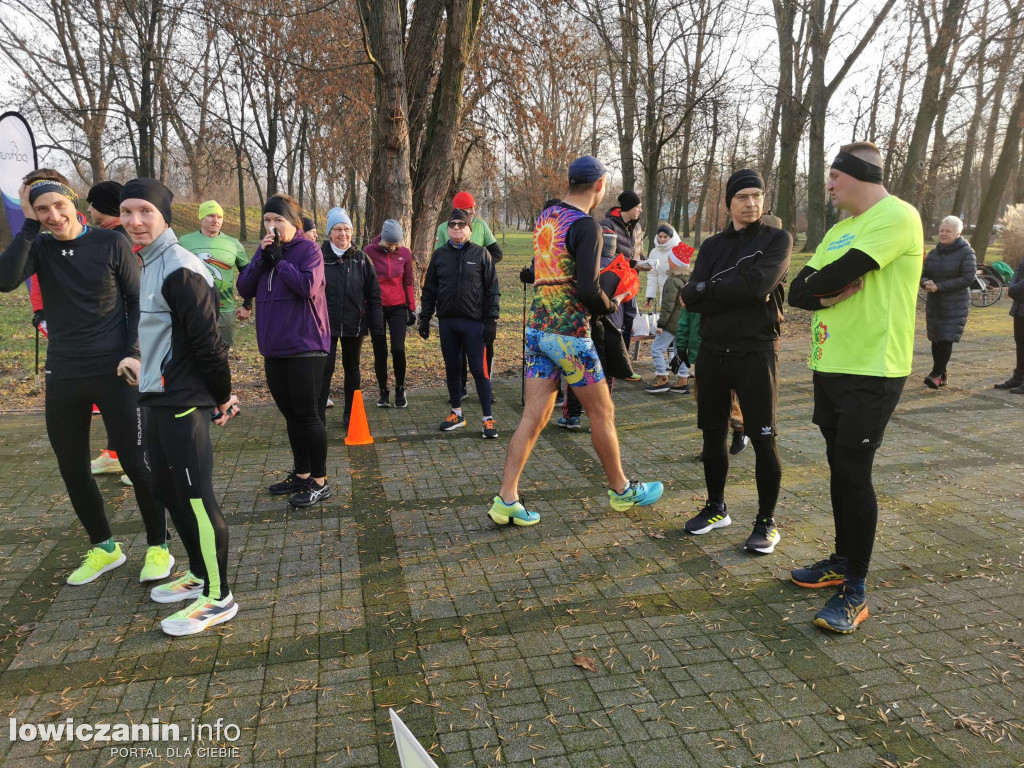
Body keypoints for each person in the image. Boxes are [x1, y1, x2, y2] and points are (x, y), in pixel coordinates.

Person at [0, 170, 173, 586]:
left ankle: (158, 546)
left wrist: (134, 353)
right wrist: (25, 225)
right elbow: (6, 281)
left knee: (134, 461)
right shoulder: (39, 246)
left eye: (59, 206)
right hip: (64, 371)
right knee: (72, 467)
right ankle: (105, 547)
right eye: (42, 210)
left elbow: (137, 301)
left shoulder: (110, 241)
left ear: (73, 203)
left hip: (116, 370)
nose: (53, 216)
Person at [788, 141, 923, 634]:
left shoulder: (897, 216)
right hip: (830, 362)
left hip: (875, 368)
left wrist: (826, 286)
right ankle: (841, 560)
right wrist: (825, 298)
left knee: (853, 470)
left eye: (833, 177)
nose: (827, 186)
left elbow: (842, 274)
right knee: (838, 468)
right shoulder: (839, 230)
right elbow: (798, 292)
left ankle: (856, 588)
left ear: (858, 175)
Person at [489, 156, 663, 527]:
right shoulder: (587, 226)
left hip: (538, 331)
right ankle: (621, 490)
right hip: (570, 336)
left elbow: (545, 269)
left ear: (570, 181)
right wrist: (611, 302)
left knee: (532, 417)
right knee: (603, 413)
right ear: (600, 187)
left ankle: (506, 498)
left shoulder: (546, 217)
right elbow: (587, 288)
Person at [119, 178, 241, 636]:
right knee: (165, 492)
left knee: (196, 498)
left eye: (145, 212)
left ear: (164, 217)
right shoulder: (148, 260)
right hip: (155, 397)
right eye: (128, 212)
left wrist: (222, 395)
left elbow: (210, 344)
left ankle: (218, 596)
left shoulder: (179, 267)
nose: (135, 221)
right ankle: (199, 574)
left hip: (185, 400)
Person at [679, 169, 791, 554]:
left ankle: (766, 521)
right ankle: (716, 507)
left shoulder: (777, 239)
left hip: (757, 352)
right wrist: (723, 289)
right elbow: (691, 296)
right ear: (729, 202)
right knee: (713, 435)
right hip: (713, 353)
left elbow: (759, 286)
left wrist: (711, 289)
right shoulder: (712, 246)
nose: (751, 203)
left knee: (763, 439)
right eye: (742, 196)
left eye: (757, 195)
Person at [237, 194, 332, 508]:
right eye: (267, 220)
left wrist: (281, 261)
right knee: (290, 415)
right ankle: (301, 474)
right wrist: (263, 259)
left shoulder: (310, 250)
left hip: (306, 345)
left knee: (308, 415)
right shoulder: (266, 251)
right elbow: (244, 288)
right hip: (273, 347)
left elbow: (307, 287)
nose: (272, 226)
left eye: (279, 220)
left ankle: (320, 481)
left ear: (294, 222)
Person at [419, 208, 500, 437]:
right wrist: (425, 318)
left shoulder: (481, 254)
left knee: (478, 369)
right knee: (453, 368)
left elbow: (492, 290)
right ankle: (457, 413)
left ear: (469, 229)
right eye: (452, 225)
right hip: (448, 322)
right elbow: (430, 289)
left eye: (461, 224)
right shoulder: (439, 255)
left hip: (474, 323)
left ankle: (488, 419)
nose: (456, 228)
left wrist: (492, 320)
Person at [83, 180, 134, 484]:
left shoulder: (118, 238)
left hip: (122, 330)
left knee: (127, 396)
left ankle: (138, 459)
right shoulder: (110, 235)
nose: (87, 210)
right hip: (112, 330)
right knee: (116, 395)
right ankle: (116, 455)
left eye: (91, 203)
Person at [433, 191, 503, 400]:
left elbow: (497, 253)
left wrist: (477, 264)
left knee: (483, 344)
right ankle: (460, 388)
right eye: (469, 209)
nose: (473, 211)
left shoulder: (480, 225)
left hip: (478, 294)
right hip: (453, 297)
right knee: (457, 346)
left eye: (473, 208)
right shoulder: (443, 228)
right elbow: (439, 261)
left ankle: (485, 386)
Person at [319, 207, 384, 427]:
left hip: (354, 324)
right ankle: (318, 416)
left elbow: (374, 296)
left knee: (352, 368)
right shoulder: (319, 257)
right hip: (324, 325)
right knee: (324, 369)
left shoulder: (362, 259)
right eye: (338, 229)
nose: (343, 234)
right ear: (329, 232)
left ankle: (351, 414)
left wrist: (377, 330)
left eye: (347, 229)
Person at [178, 200, 251, 348]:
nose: (215, 220)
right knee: (193, 354)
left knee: (222, 353)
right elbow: (173, 275)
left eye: (219, 217)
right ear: (201, 218)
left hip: (224, 310)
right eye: (211, 216)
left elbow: (248, 275)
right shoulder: (184, 242)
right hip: (193, 309)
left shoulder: (234, 244)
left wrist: (247, 305)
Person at [920, 215, 976, 389]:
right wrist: (925, 282)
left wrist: (940, 287)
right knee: (936, 338)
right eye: (941, 231)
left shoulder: (967, 252)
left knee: (946, 337)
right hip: (935, 302)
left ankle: (936, 374)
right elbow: (923, 273)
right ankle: (941, 375)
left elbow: (968, 278)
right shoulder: (934, 252)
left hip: (955, 302)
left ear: (958, 233)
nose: (943, 234)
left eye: (948, 231)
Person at [366, 218, 416, 408]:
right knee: (380, 351)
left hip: (397, 306)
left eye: (397, 244)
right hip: (376, 307)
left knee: (398, 349)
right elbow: (365, 282)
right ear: (381, 239)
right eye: (390, 244)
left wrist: (411, 308)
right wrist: (365, 307)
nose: (394, 248)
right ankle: (383, 391)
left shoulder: (405, 254)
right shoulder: (369, 253)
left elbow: (408, 281)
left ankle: (400, 389)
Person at [601, 190, 649, 368]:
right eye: (638, 206)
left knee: (630, 317)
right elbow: (606, 254)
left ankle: (623, 359)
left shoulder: (636, 227)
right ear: (628, 207)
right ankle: (611, 360)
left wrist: (645, 261)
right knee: (615, 322)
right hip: (614, 283)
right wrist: (631, 263)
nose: (640, 210)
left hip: (631, 282)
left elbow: (637, 251)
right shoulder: (607, 224)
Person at [645, 229, 693, 394]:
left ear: (674, 263)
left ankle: (662, 377)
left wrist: (660, 324)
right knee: (681, 350)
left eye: (670, 259)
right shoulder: (690, 279)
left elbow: (668, 306)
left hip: (671, 322)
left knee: (657, 349)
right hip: (685, 321)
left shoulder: (671, 281)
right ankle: (682, 379)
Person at [998, 260, 1024, 392]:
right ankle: (1019, 377)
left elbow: (1014, 286)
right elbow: (1017, 273)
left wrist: (1014, 288)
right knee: (1020, 343)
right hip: (1020, 307)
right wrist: (1014, 287)